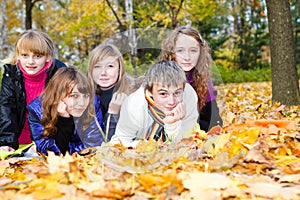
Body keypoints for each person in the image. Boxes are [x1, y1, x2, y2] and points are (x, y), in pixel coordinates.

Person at [0, 29, 66, 153]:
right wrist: (7, 141)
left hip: (50, 139)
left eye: (37, 56)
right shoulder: (11, 74)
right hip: (19, 140)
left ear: (48, 57)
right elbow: (7, 109)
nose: (31, 61)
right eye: (25, 55)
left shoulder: (60, 73)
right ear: (18, 55)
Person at [110, 60, 199, 148]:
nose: (171, 102)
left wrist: (173, 125)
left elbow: (187, 143)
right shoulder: (135, 105)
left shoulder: (189, 97)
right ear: (150, 92)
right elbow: (118, 141)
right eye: (163, 94)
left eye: (177, 93)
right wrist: (143, 146)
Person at [158, 25, 223, 132]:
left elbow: (214, 120)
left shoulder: (203, 80)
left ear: (200, 52)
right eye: (180, 51)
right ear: (171, 53)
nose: (187, 57)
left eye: (193, 51)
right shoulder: (159, 78)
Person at [27, 67, 105, 155]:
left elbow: (93, 146)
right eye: (74, 96)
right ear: (58, 95)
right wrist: (64, 121)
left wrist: (67, 150)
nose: (82, 103)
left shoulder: (92, 103)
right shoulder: (38, 110)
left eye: (86, 95)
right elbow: (48, 152)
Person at [87, 43, 139, 141]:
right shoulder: (85, 97)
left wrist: (114, 114)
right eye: (97, 66)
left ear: (119, 68)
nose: (103, 73)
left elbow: (115, 144)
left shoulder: (133, 94)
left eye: (110, 66)